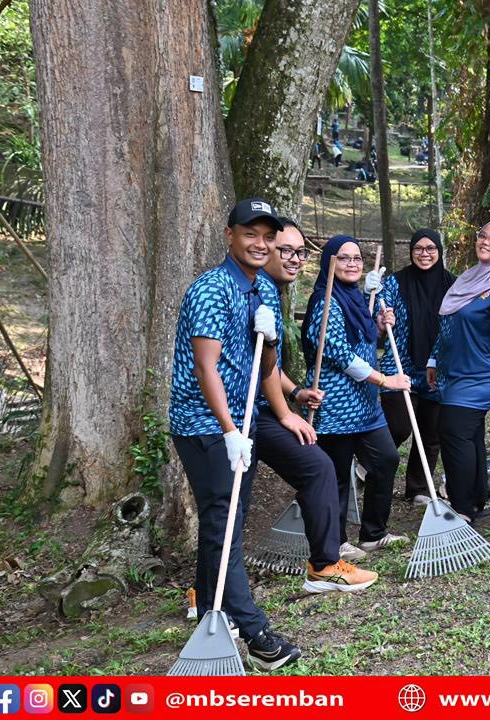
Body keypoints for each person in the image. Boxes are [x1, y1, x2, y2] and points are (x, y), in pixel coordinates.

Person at [169, 197, 300, 671]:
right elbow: (207, 367)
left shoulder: (264, 289)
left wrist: (266, 338)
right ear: (231, 236)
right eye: (251, 234)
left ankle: (210, 610)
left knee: (224, 523)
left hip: (240, 425)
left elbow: (266, 366)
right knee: (224, 523)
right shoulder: (211, 289)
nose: (260, 243)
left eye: (268, 236)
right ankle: (256, 633)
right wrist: (228, 430)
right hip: (204, 424)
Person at [255, 217, 381, 586]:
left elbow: (268, 363)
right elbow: (337, 353)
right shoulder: (253, 290)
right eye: (286, 250)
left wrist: (294, 393)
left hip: (260, 411)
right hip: (225, 416)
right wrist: (286, 413)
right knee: (228, 505)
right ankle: (208, 593)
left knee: (320, 467)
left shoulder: (269, 293)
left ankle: (325, 564)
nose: (294, 259)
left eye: (299, 252)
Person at [301, 236, 411, 553]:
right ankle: (337, 542)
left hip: (364, 404)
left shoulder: (355, 299)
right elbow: (340, 354)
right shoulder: (324, 301)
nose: (352, 264)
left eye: (357, 258)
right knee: (336, 474)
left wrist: (377, 324)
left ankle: (373, 533)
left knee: (387, 460)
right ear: (329, 263)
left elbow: (363, 343)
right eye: (344, 258)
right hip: (335, 404)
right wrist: (384, 380)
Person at [427, 220, 490, 522]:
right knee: (470, 434)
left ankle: (461, 508)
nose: (485, 241)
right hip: (456, 369)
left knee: (454, 431)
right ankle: (476, 497)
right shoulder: (469, 278)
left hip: (484, 372)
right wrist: (434, 359)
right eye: (482, 235)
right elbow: (449, 324)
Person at [364, 229, 455, 504]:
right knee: (400, 425)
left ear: (439, 252)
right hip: (399, 366)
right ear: (411, 251)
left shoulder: (452, 285)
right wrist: (381, 317)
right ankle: (371, 468)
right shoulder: (393, 283)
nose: (424, 253)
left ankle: (417, 487)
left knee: (431, 432)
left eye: (430, 248)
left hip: (437, 367)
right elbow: (373, 320)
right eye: (418, 248)